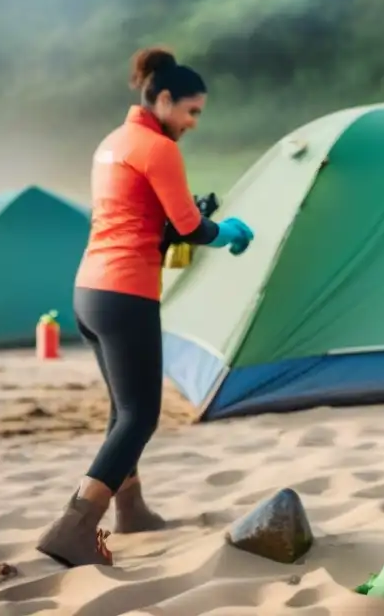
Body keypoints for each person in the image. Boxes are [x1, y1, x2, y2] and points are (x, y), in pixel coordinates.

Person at [36, 47, 255, 567]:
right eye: (191, 111)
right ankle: (75, 525)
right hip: (126, 293)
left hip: (89, 291)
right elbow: (188, 228)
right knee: (141, 415)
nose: (193, 122)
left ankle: (130, 511)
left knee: (121, 410)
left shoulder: (112, 144)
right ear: (162, 99)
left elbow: (140, 222)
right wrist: (225, 232)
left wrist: (182, 225)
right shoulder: (159, 149)